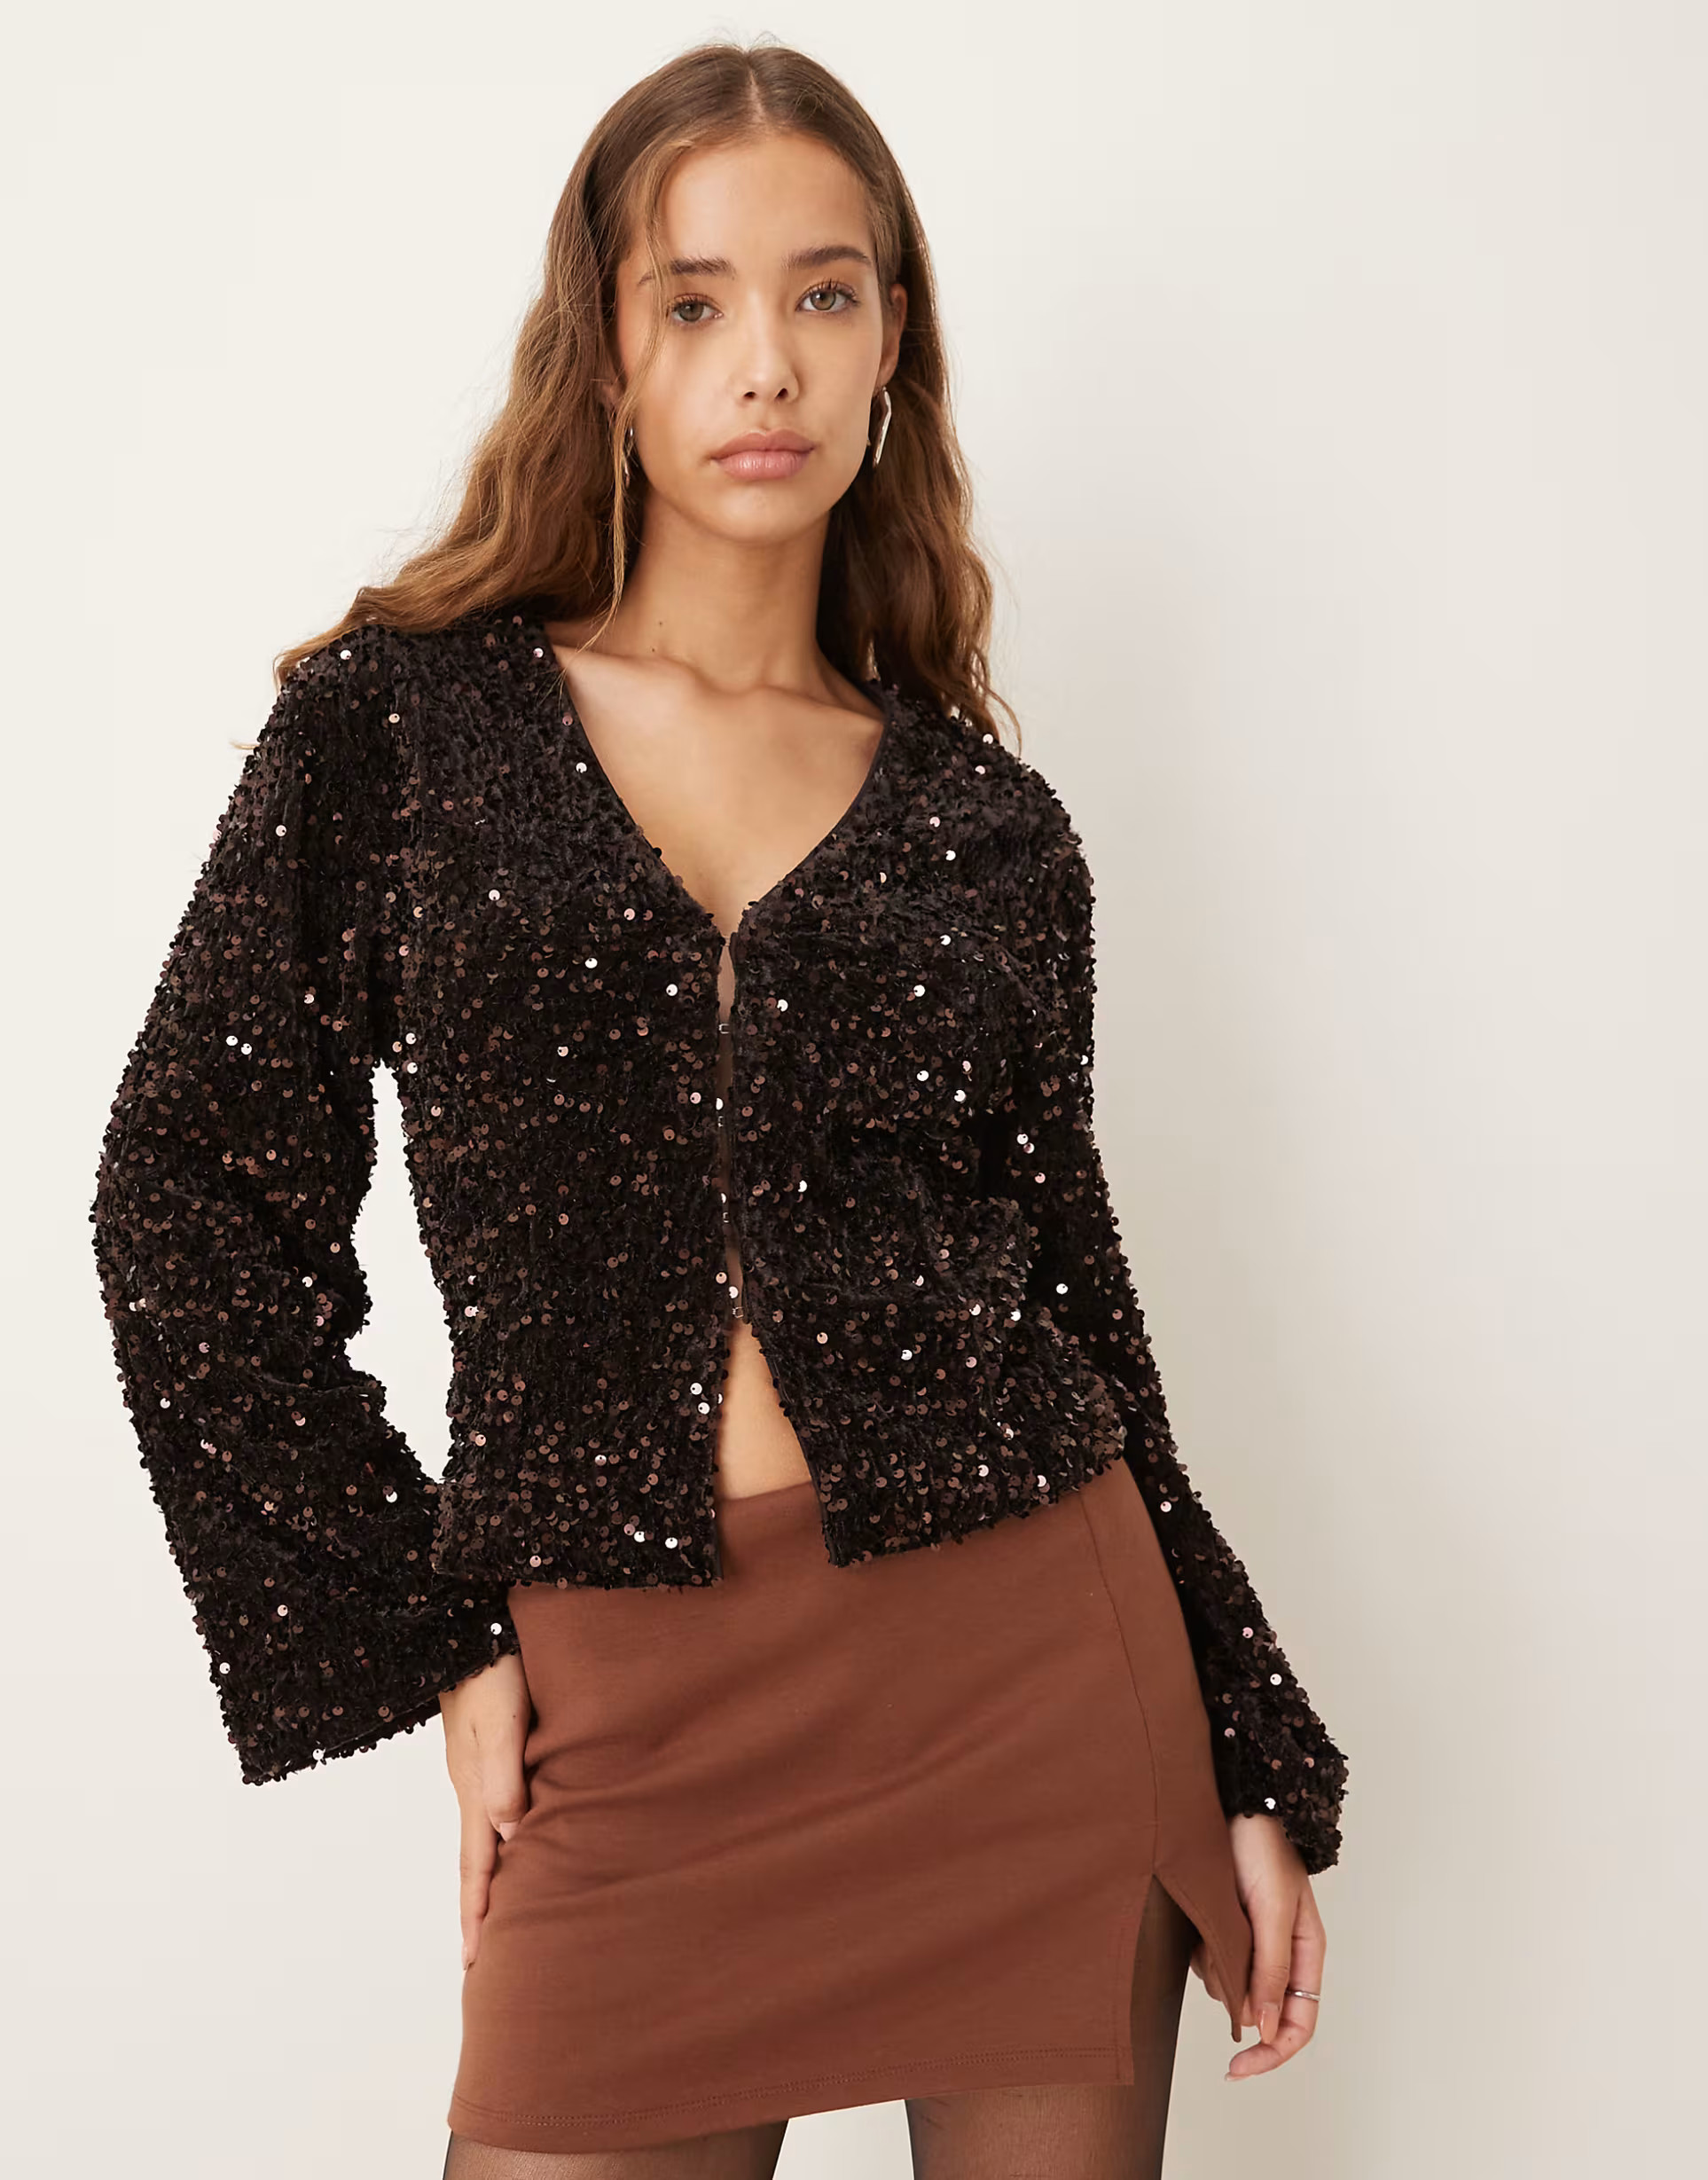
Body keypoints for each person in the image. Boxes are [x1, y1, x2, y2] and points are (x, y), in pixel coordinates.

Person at [89, 38, 1349, 2180]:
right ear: (607, 350)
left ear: (890, 344)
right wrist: (428, 1636)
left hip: (1032, 1693)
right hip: (628, 1707)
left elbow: (1079, 1303)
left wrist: (1243, 1739)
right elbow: (183, 1201)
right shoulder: (402, 731)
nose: (766, 360)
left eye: (823, 293)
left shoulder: (988, 828)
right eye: (695, 300)